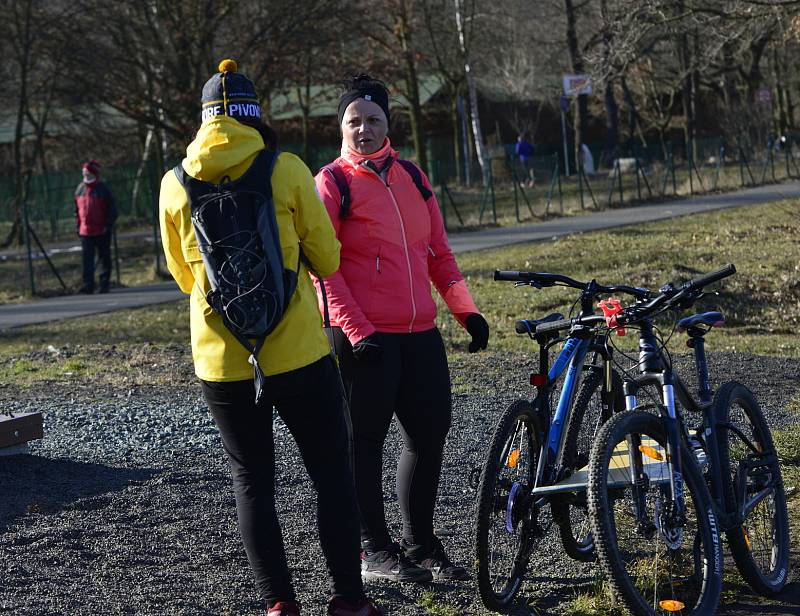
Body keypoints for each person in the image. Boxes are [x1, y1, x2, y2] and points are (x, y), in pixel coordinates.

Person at [159, 59, 380, 616]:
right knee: (331, 473)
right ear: (256, 114)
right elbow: (327, 257)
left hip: (223, 362)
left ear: (205, 118)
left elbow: (184, 277)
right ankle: (349, 601)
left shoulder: (173, 184)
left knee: (253, 482)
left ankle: (279, 603)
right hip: (299, 351)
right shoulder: (285, 169)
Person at [314, 74, 490, 583]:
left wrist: (466, 311)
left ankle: (422, 545)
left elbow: (438, 252)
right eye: (354, 121)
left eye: (372, 120)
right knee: (363, 443)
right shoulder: (332, 182)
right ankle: (374, 551)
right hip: (362, 338)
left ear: (388, 123)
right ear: (341, 126)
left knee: (429, 436)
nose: (364, 129)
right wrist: (356, 329)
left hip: (420, 335)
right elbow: (321, 267)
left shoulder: (413, 177)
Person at [74, 160, 116, 294]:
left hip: (102, 231)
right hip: (85, 232)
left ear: (94, 174)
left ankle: (104, 284)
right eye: (84, 173)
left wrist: (107, 225)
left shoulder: (103, 189)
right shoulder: (80, 189)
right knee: (87, 260)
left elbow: (112, 211)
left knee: (104, 258)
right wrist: (78, 227)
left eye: (88, 173)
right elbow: (77, 211)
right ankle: (88, 285)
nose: (85, 175)